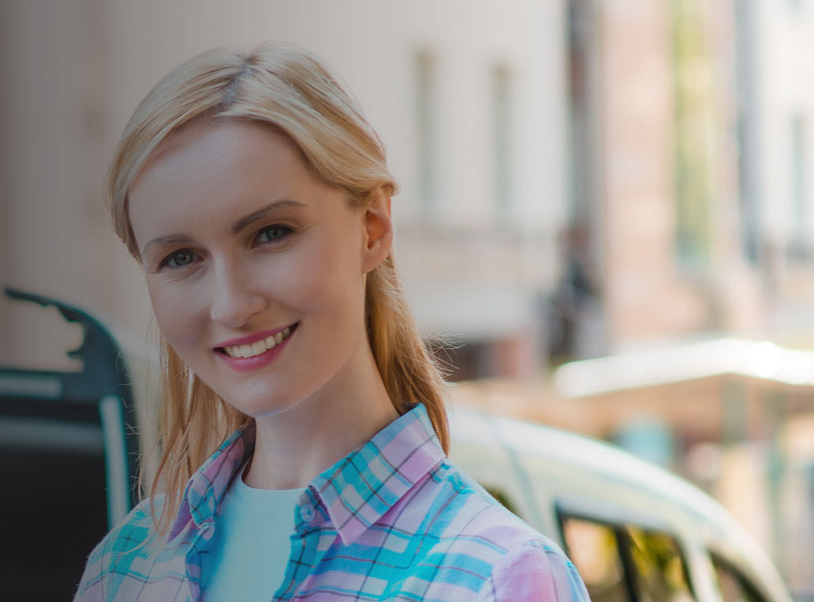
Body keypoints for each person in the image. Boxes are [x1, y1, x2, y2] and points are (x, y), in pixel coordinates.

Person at [72, 43, 590, 602]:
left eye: (271, 234)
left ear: (372, 227)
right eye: (180, 258)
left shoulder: (496, 576)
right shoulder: (124, 568)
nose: (231, 305)